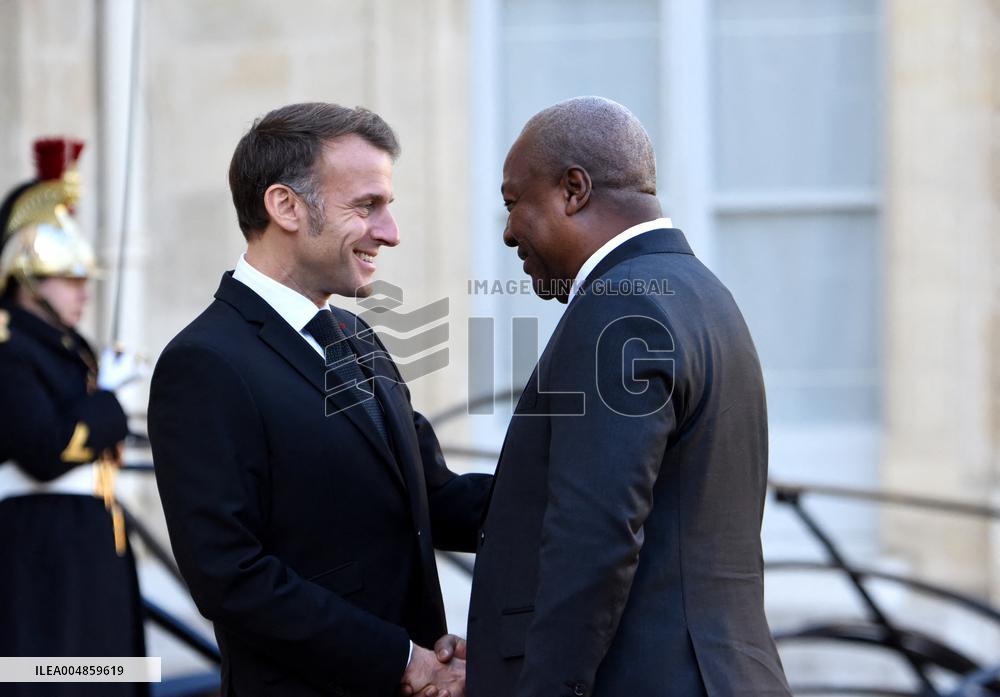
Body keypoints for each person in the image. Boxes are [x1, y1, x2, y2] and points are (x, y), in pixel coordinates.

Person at [147, 102, 491, 697]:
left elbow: (433, 498)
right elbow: (230, 576)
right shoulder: (204, 363)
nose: (391, 232)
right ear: (285, 206)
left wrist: (574, 483)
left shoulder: (355, 336)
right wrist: (401, 659)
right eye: (367, 206)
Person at [463, 97, 791, 696]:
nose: (508, 232)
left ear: (573, 190)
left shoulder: (619, 308)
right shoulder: (702, 293)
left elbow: (595, 537)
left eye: (514, 204)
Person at [0, 138, 147, 696]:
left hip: (89, 543)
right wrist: (106, 400)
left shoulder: (65, 348)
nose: (84, 291)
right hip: (44, 550)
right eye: (70, 277)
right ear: (28, 274)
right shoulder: (10, 346)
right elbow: (43, 448)